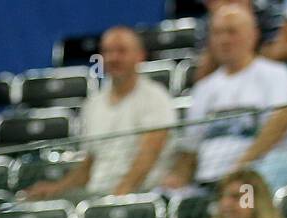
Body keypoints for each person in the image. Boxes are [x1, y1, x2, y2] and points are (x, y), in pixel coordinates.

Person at [22, 26, 176, 200]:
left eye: (121, 51)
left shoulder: (155, 98)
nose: (113, 58)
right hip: (96, 195)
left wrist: (120, 194)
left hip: (141, 195)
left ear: (140, 56)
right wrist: (56, 189)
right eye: (108, 52)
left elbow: (150, 152)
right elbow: (89, 164)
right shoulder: (92, 104)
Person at [163, 4, 287, 194]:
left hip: (258, 174)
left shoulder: (275, 74)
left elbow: (281, 120)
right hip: (209, 181)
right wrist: (177, 177)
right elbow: (190, 148)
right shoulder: (203, 88)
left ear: (253, 34)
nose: (224, 39)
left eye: (232, 32)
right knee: (164, 195)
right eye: (217, 33)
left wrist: (241, 166)